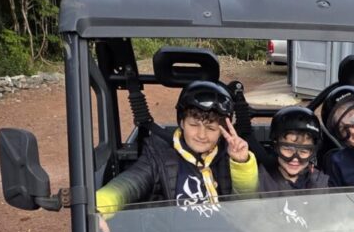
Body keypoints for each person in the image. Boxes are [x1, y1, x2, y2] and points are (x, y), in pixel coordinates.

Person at [95, 80, 258, 216]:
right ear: (181, 123)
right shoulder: (158, 154)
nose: (202, 135)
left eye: (211, 128)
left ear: (222, 131)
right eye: (193, 125)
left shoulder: (230, 154)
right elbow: (130, 183)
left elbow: (246, 206)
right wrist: (98, 207)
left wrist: (241, 163)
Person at [257, 106, 329, 192]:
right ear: (275, 146)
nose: (295, 159)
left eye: (303, 151)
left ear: (312, 152)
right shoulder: (260, 179)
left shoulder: (319, 182)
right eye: (288, 149)